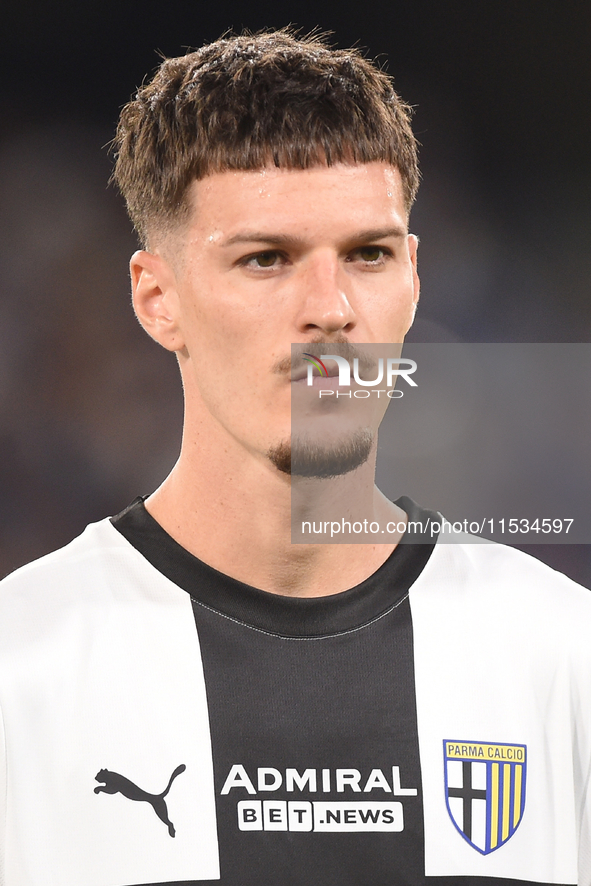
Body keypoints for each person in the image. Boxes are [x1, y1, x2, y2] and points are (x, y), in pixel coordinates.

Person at [0, 28, 590, 886]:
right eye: (266, 259)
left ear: (415, 281)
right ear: (156, 300)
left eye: (368, 254)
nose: (331, 309)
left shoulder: (559, 655)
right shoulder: (23, 664)